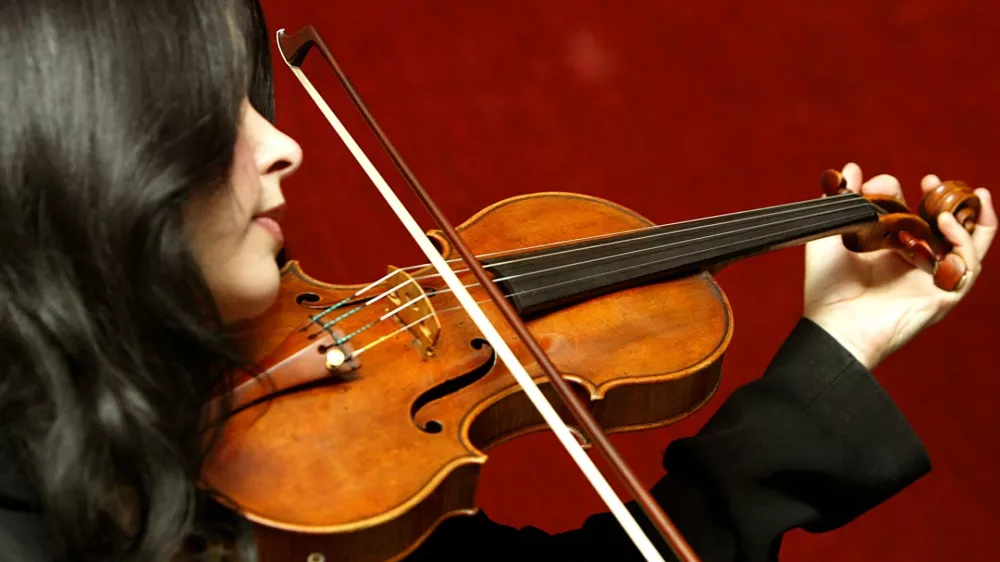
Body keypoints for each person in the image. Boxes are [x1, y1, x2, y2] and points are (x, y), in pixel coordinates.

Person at [0, 0, 994, 561]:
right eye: (216, 113)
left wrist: (837, 342)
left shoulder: (317, 493)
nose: (284, 144)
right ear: (90, 156)